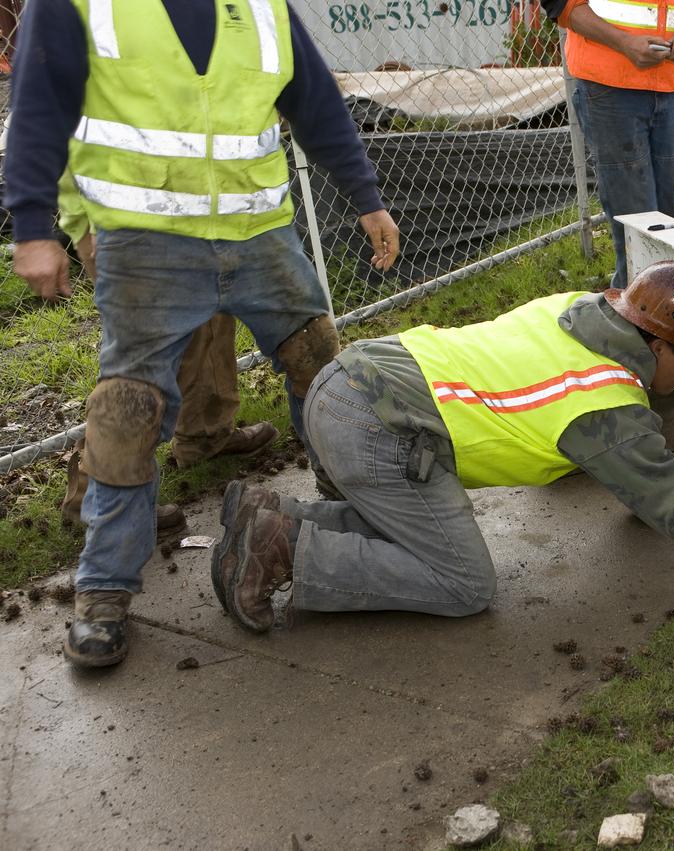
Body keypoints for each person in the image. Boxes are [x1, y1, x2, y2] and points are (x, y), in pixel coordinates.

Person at [4, 0, 400, 668]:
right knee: (129, 410)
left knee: (321, 367)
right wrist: (35, 222)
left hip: (260, 237)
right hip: (147, 244)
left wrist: (366, 196)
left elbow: (316, 101)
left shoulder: (262, 5)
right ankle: (103, 593)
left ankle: (359, 516)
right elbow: (41, 104)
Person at [211, 261, 674, 632]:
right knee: (463, 583)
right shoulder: (611, 408)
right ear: (657, 346)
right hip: (378, 429)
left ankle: (272, 517)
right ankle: (288, 553)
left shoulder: (576, 310)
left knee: (420, 530)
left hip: (347, 380)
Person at [56, 173, 280, 530]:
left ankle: (204, 435)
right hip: (132, 209)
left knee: (210, 316)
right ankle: (97, 496)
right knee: (143, 357)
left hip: (196, 198)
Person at [555, 0, 674, 289]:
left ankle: (657, 313)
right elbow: (563, 5)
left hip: (668, 85)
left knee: (665, 224)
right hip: (609, 84)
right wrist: (625, 43)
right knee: (639, 228)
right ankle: (637, 317)